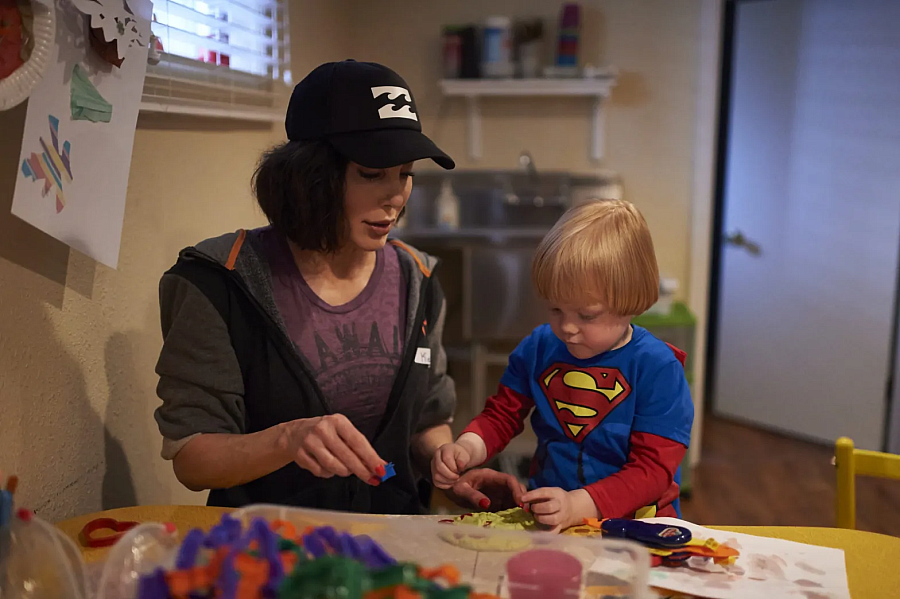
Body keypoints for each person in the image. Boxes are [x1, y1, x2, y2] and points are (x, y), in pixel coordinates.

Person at [153, 59, 523, 514]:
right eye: (372, 174)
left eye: (405, 173)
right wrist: (290, 439)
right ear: (309, 178)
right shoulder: (218, 282)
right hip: (267, 548)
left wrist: (448, 472)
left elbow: (426, 419)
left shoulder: (418, 279)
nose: (396, 197)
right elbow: (193, 459)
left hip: (392, 548)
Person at [431, 200, 694, 531]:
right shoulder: (539, 347)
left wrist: (578, 505)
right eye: (555, 309)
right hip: (555, 518)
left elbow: (652, 471)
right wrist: (466, 447)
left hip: (638, 529)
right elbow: (501, 416)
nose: (567, 328)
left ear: (631, 301)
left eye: (586, 315)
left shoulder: (658, 368)